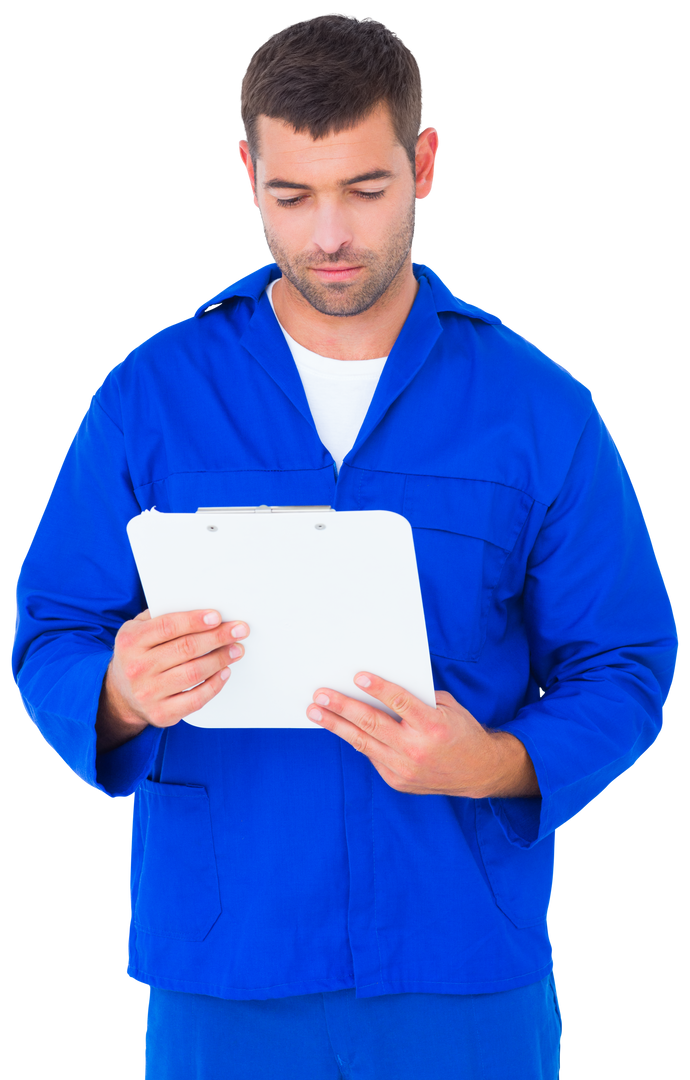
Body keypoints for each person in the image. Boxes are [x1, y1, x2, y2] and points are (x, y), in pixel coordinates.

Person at [9, 10, 678, 1080]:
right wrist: (120, 692)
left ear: (424, 162)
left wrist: (498, 763)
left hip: (460, 957)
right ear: (246, 172)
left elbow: (626, 663)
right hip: (228, 958)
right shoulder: (151, 394)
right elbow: (52, 628)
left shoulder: (538, 409)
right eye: (292, 195)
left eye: (365, 192)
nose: (329, 235)